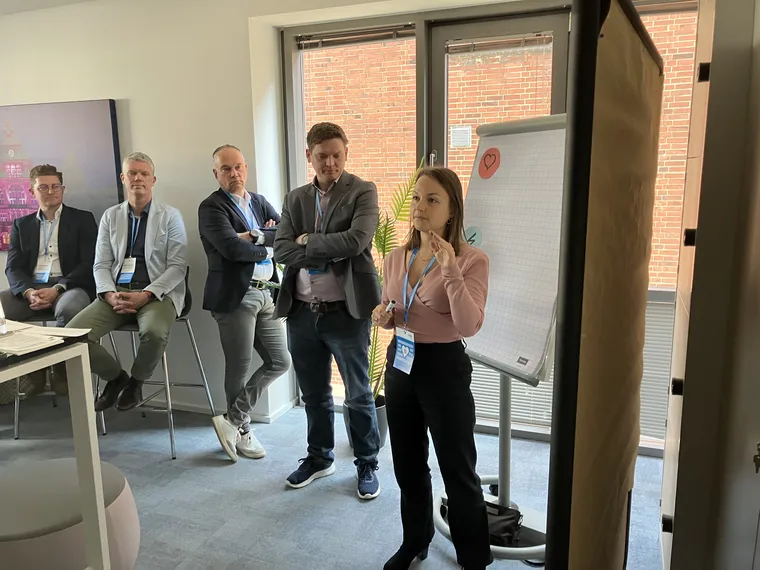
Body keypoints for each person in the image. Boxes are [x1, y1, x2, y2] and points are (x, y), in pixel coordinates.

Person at [372, 167, 492, 570]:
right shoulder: (396, 257)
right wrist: (384, 315)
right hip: (402, 362)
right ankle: (415, 540)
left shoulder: (472, 260)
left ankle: (473, 557)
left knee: (457, 468)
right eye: (416, 198)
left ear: (452, 209)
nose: (419, 206)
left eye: (432, 199)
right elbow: (393, 307)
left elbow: (468, 324)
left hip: (444, 367)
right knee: (407, 464)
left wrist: (449, 268)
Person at [274, 122, 382, 500]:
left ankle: (367, 462)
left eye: (337, 155)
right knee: (314, 394)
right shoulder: (295, 199)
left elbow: (356, 241)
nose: (330, 163)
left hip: (346, 312)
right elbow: (281, 249)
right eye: (322, 156)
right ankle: (320, 457)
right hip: (302, 312)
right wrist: (324, 248)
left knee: (358, 393)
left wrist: (307, 241)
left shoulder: (363, 191)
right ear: (309, 156)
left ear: (346, 153)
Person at [67, 152, 188, 413]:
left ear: (153, 180)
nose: (138, 178)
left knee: (154, 333)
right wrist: (109, 294)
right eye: (132, 173)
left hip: (157, 294)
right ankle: (116, 378)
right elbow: (100, 264)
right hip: (117, 293)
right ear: (123, 178)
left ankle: (136, 382)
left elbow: (178, 267)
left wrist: (146, 294)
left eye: (144, 173)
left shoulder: (170, 216)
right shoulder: (110, 216)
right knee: (72, 336)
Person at [199, 144, 291, 462]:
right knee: (238, 367)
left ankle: (231, 420)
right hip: (235, 296)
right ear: (216, 174)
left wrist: (252, 235)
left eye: (238, 166)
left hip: (267, 292)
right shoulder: (211, 208)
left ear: (246, 168)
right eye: (226, 168)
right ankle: (242, 431)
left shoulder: (259, 201)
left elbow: (286, 234)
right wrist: (265, 240)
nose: (234, 173)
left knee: (280, 361)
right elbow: (231, 250)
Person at [1, 164, 98, 394]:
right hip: (32, 288)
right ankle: (33, 368)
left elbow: (89, 263)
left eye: (56, 186)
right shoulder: (21, 225)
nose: (51, 191)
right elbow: (13, 267)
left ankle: (60, 370)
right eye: (43, 187)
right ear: (31, 191)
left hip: (70, 286)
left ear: (63, 189)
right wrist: (28, 292)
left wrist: (58, 288)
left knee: (69, 309)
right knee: (2, 309)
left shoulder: (82, 219)